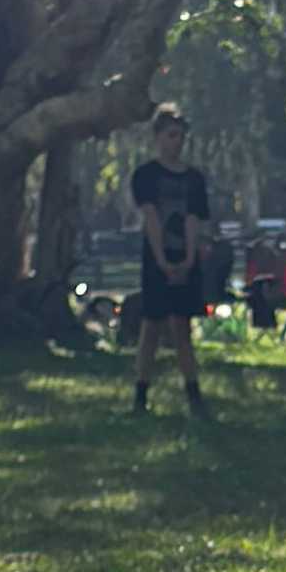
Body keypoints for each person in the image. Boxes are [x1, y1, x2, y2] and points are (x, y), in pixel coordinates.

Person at [125, 100, 216, 417]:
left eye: (180, 136)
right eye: (171, 136)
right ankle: (140, 395)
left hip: (184, 255)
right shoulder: (146, 175)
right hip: (156, 257)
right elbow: (150, 217)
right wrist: (162, 260)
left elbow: (193, 219)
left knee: (182, 328)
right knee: (151, 326)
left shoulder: (194, 179)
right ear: (158, 137)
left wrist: (189, 258)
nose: (176, 142)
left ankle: (194, 394)